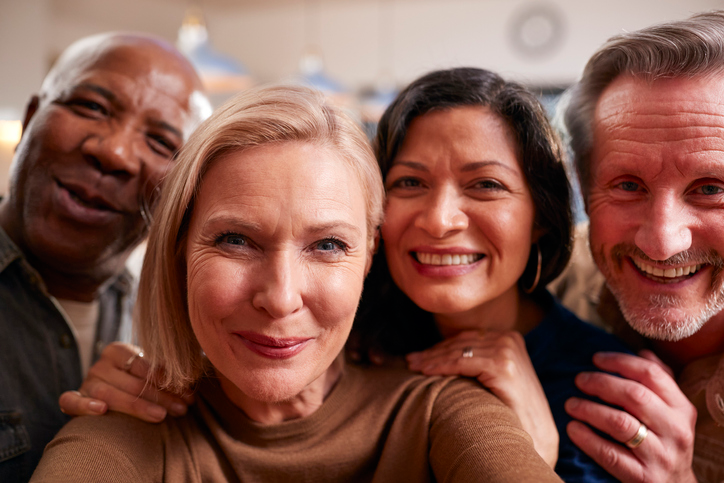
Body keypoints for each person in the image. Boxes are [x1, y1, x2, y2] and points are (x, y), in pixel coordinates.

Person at [31, 85, 560, 483]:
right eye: (236, 240)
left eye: (327, 245)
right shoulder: (125, 426)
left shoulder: (438, 412)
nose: (281, 297)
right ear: (179, 249)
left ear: (369, 255)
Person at [350, 67, 631, 482]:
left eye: (485, 184)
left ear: (541, 218)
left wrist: (530, 460)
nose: (440, 220)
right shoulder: (347, 346)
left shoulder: (609, 391)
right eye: (410, 182)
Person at [0, 32, 211, 481]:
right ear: (31, 119)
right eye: (92, 107)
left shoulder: (170, 334)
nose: (114, 152)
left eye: (159, 142)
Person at [556, 10, 724, 483]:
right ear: (586, 193)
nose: (663, 241)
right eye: (628, 185)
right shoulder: (547, 275)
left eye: (711, 188)